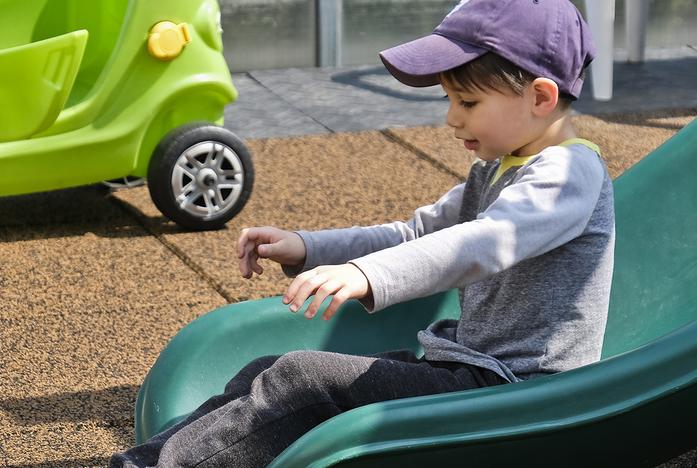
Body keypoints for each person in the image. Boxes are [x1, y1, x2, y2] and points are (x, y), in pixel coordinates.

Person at [109, 0, 614, 466]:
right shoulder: (500, 167)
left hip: (523, 394)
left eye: (468, 101)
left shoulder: (568, 176)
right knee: (275, 367)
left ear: (541, 96)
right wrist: (309, 247)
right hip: (467, 369)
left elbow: (482, 242)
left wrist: (365, 275)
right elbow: (417, 232)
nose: (451, 117)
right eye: (449, 99)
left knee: (303, 378)